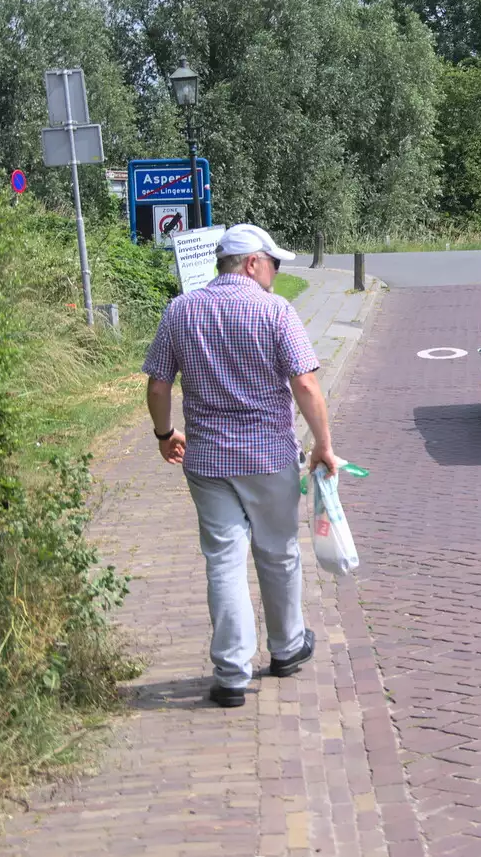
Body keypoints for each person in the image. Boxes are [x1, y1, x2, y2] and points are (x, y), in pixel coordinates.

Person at [142, 223, 342, 709]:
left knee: (224, 561)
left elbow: (158, 384)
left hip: (208, 461)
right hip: (268, 456)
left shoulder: (181, 309)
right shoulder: (275, 311)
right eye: (273, 263)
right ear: (252, 262)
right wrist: (323, 445)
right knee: (277, 552)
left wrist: (165, 434)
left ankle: (231, 674)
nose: (275, 273)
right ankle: (287, 648)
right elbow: (307, 385)